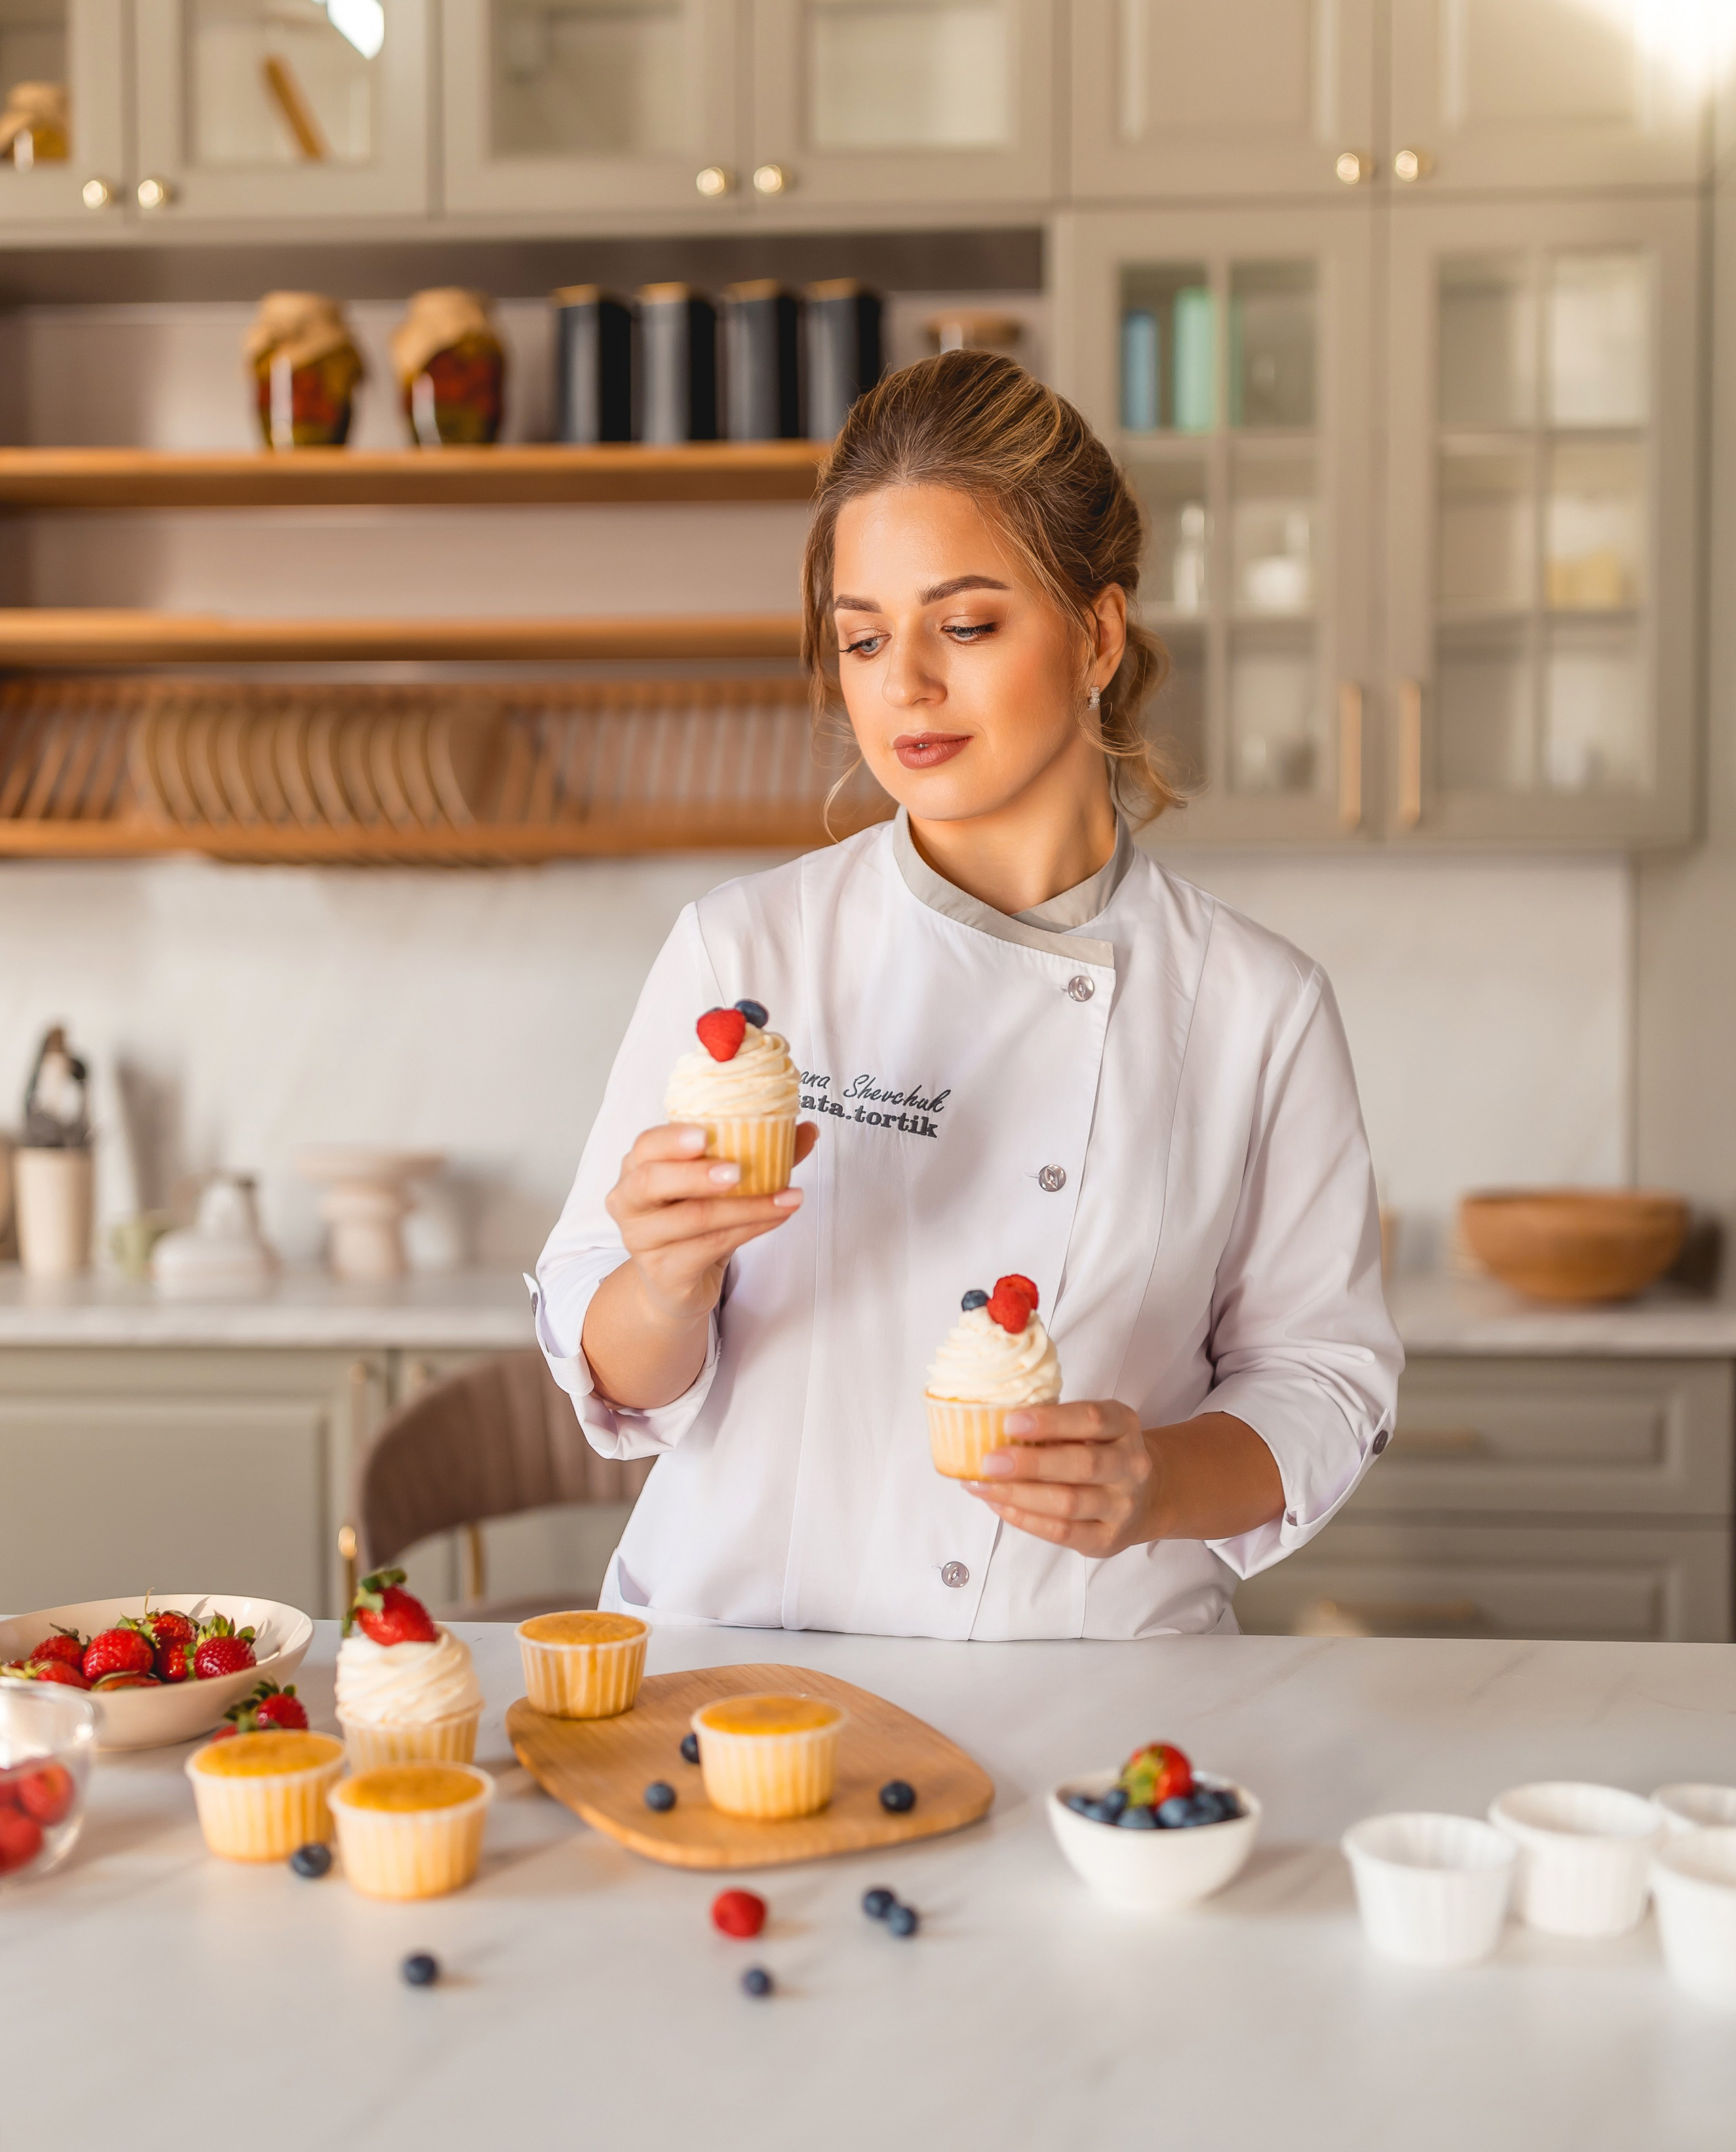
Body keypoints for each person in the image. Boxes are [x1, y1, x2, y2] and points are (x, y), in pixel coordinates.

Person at [532, 349, 1402, 1639]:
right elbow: (612, 1367)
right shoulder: (745, 952)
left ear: (1097, 634)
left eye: (968, 624)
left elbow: (1323, 1382)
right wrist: (664, 1287)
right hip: (753, 1685)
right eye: (866, 637)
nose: (905, 686)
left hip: (1096, 1697)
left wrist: (1156, 1482)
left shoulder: (1256, 1007)